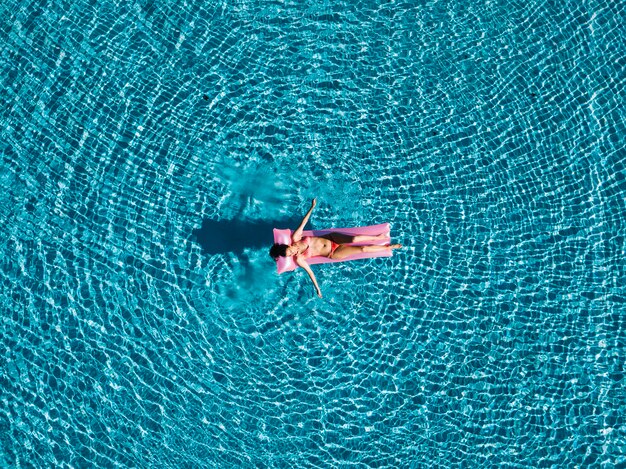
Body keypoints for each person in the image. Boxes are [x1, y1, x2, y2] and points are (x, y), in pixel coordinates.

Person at [269, 199, 402, 297]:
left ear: (288, 245)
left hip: (332, 238)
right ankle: (388, 247)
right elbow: (310, 272)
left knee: (355, 239)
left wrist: (312, 207)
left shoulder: (296, 238)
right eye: (289, 255)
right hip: (333, 252)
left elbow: (303, 222)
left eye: (290, 250)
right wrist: (317, 289)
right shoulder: (299, 259)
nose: (293, 252)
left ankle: (379, 237)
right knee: (362, 249)